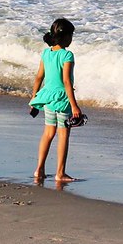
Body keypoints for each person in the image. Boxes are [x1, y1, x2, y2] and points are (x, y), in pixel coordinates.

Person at [29, 18, 83, 183]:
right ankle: (60, 173)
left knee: (48, 133)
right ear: (65, 37)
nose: (72, 39)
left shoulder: (46, 53)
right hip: (63, 100)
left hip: (48, 98)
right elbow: (67, 82)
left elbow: (39, 77)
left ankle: (39, 169)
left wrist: (34, 98)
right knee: (63, 135)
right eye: (71, 35)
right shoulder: (67, 55)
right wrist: (74, 106)